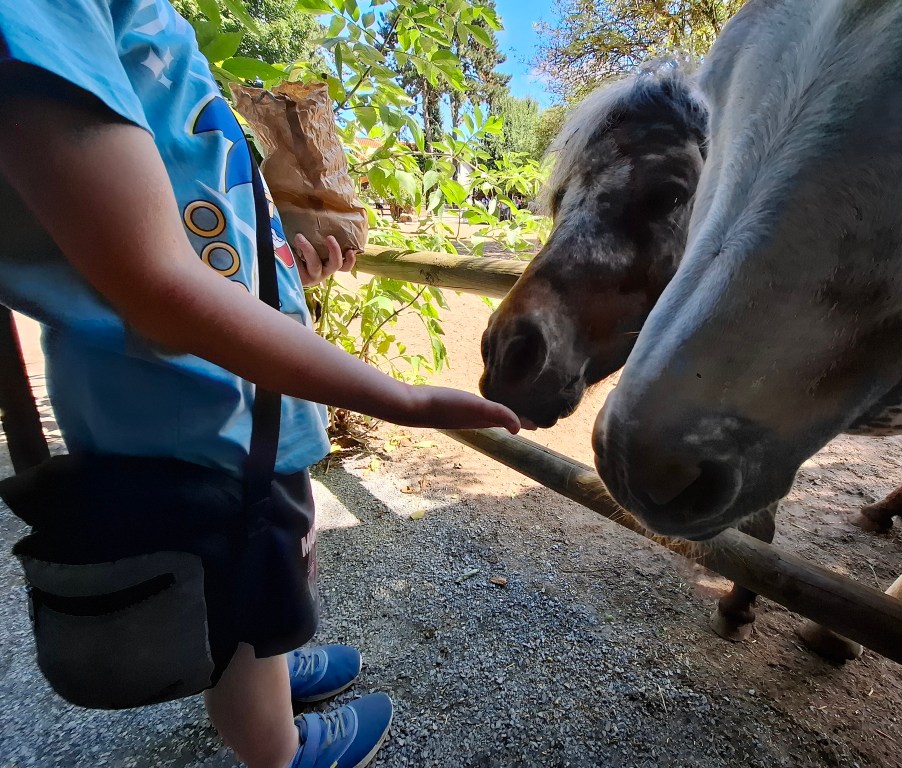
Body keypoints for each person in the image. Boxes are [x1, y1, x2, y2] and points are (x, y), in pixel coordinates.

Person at [0, 2, 523, 767]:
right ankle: (276, 746)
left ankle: (262, 663)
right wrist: (400, 399)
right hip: (196, 414)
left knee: (254, 576)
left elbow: (188, 224)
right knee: (236, 570)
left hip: (236, 408)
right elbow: (155, 284)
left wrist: (279, 265)